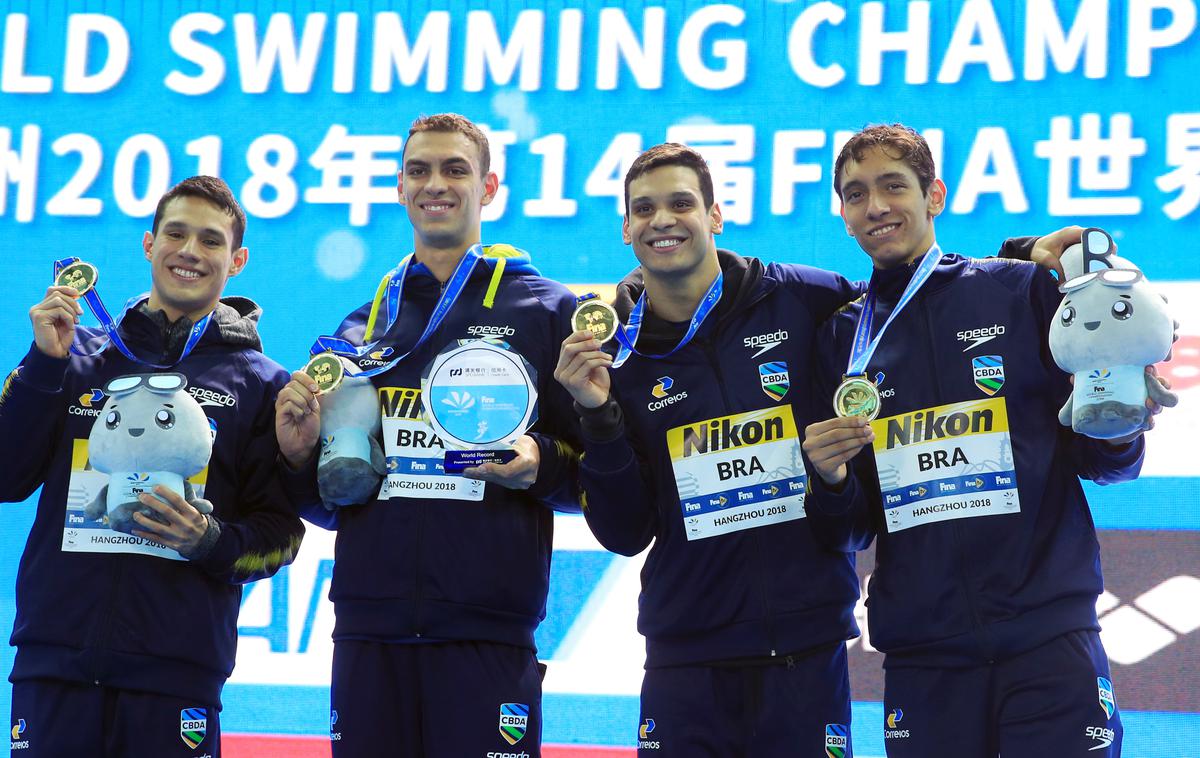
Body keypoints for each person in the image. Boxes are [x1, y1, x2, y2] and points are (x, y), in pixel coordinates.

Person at [801, 124, 1169, 757]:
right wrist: (831, 482)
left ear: (934, 195)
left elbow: (1105, 463)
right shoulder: (841, 338)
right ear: (843, 215)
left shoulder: (1020, 290)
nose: (877, 206)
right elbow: (855, 527)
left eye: (894, 186)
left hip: (1048, 637)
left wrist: (1120, 421)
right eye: (856, 194)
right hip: (924, 654)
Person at [274, 113, 581, 758]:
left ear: (489, 186)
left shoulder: (548, 312)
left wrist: (541, 463)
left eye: (454, 169)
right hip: (367, 628)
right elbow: (329, 501)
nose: (434, 184)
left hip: (486, 631)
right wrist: (299, 457)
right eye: (419, 170)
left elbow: (596, 475)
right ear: (399, 186)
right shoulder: (361, 328)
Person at [0, 176, 304, 757]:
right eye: (176, 233)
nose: (190, 251)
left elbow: (281, 536)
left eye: (211, 241)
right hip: (54, 664)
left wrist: (209, 539)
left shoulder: (262, 385)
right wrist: (43, 364)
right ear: (148, 244)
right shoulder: (77, 357)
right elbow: (5, 477)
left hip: (176, 677)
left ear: (236, 260)